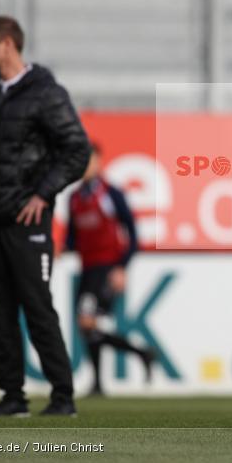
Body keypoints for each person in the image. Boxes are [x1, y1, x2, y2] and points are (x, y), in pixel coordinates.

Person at [0, 16, 90, 416]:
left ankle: (62, 396)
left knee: (37, 307)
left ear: (7, 44)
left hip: (26, 222)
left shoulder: (46, 93)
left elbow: (76, 150)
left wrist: (42, 194)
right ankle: (13, 396)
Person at [65, 143, 155, 396]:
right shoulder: (73, 198)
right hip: (87, 268)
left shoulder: (111, 194)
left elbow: (133, 234)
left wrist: (121, 268)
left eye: (90, 160)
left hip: (106, 268)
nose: (85, 166)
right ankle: (139, 355)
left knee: (87, 321)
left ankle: (99, 382)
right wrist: (61, 247)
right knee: (88, 327)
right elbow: (73, 237)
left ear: (100, 162)